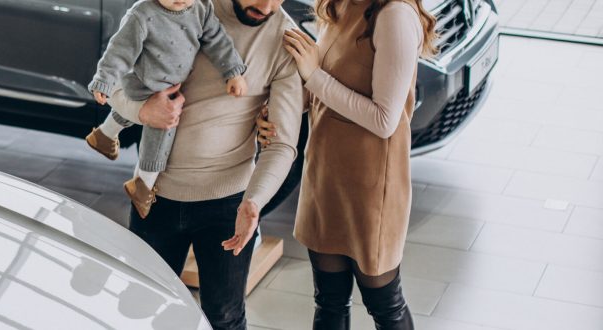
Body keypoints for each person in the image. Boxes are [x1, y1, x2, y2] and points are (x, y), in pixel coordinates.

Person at [105, 0, 302, 328]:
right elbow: (109, 79)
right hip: (155, 197)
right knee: (139, 307)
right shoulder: (179, 5)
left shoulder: (286, 40)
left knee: (224, 316)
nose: (266, 6)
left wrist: (254, 202)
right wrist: (141, 111)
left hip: (228, 205)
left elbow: (283, 144)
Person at [258, 0, 437, 328]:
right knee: (328, 301)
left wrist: (312, 75)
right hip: (325, 173)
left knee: (385, 304)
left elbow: (384, 120)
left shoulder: (394, 15)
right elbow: (325, 83)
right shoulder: (339, 5)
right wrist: (282, 110)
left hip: (371, 187)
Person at [84, 0, 249, 218]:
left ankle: (104, 135)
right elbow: (119, 52)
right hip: (144, 82)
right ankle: (142, 186)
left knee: (138, 115)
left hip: (167, 83)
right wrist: (104, 80)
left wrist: (233, 72)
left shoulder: (201, 8)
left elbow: (217, 40)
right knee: (164, 125)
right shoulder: (142, 14)